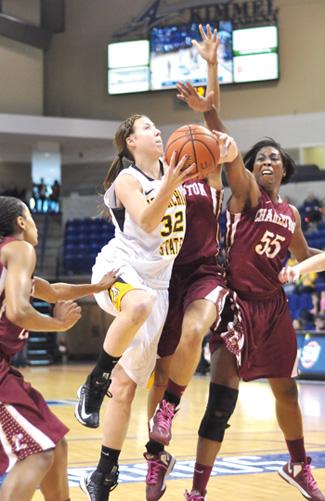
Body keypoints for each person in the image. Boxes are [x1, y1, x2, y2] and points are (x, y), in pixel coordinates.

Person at [76, 113, 237, 500]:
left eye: (156, 127)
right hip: (121, 271)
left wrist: (225, 152)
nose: (157, 131)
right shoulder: (128, 179)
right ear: (131, 141)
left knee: (128, 387)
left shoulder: (177, 165)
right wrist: (171, 181)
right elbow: (148, 221)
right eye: (147, 127)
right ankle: (93, 382)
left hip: (160, 287)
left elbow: (213, 158)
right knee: (139, 305)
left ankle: (102, 473)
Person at [177, 80, 325, 501]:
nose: (266, 161)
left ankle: (298, 465)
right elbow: (228, 152)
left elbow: (302, 255)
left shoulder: (290, 213)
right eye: (259, 157)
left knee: (287, 391)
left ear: (283, 169)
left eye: (273, 158)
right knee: (222, 401)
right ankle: (198, 491)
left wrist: (316, 259)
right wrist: (209, 112)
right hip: (236, 308)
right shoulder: (246, 194)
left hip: (274, 310)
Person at [144, 24, 232, 501]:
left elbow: (215, 127)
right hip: (166, 277)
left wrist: (211, 71)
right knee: (157, 374)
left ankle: (171, 409)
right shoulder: (163, 180)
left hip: (205, 273)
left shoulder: (214, 171)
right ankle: (154, 459)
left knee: (198, 329)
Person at [0, 195, 118, 501]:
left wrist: (97, 287)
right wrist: (58, 326)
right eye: (33, 218)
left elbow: (52, 291)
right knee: (37, 453)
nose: (37, 227)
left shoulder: (10, 262)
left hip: (5, 370)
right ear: (21, 223)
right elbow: (17, 312)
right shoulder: (20, 249)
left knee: (55, 443)